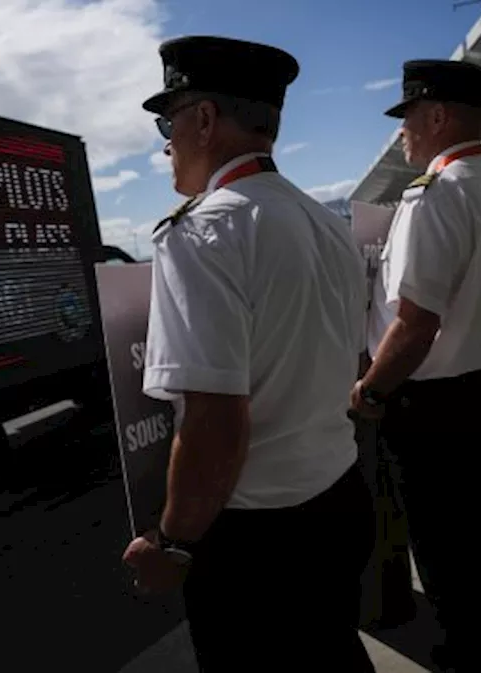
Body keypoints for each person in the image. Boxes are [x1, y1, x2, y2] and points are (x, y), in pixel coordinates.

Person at [122, 35, 375, 672]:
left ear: (203, 119)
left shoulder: (203, 232)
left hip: (259, 540)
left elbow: (212, 422)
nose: (165, 141)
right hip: (339, 497)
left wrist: (172, 545)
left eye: (168, 120)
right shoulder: (324, 223)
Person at [350, 59, 481, 672]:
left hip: (437, 407)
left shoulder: (437, 195)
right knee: (480, 538)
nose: (402, 132)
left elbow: (416, 322)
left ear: (435, 115)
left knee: (448, 551)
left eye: (407, 117)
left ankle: (476, 656)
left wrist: (370, 391)